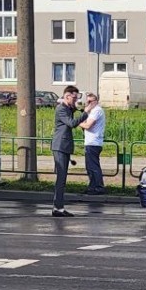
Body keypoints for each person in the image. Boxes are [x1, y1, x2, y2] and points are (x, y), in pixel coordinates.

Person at [51, 85, 84, 217]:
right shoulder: (62, 110)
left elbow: (74, 109)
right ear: (67, 96)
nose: (75, 100)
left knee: (62, 179)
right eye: (74, 97)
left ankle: (58, 207)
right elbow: (72, 123)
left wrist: (78, 106)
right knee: (61, 178)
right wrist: (86, 113)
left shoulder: (67, 108)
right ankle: (57, 208)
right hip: (60, 146)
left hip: (63, 146)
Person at [79, 91, 107, 194]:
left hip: (94, 142)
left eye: (90, 101)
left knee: (94, 166)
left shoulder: (97, 111)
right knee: (89, 166)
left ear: (96, 101)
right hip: (91, 142)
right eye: (87, 101)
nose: (88, 103)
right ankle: (92, 186)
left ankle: (99, 187)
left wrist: (78, 122)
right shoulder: (93, 111)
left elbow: (87, 125)